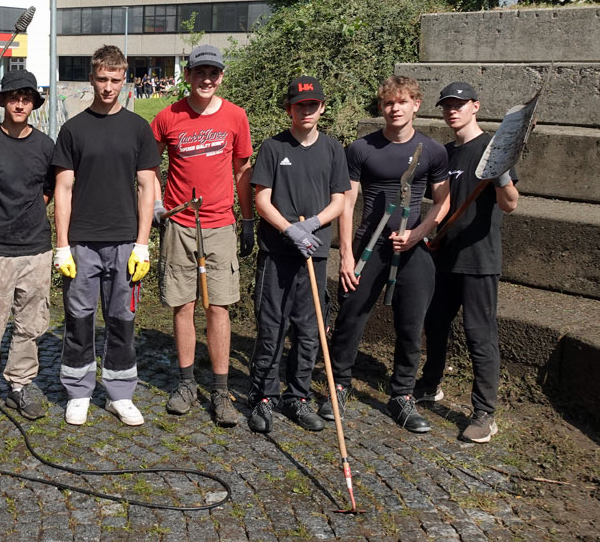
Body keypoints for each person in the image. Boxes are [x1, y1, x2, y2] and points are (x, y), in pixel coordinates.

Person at [329, 75, 449, 433]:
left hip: (413, 248)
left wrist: (417, 234)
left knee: (411, 325)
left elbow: (443, 202)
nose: (395, 109)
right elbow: (347, 204)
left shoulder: (433, 151)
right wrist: (346, 255)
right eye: (388, 103)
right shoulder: (361, 149)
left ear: (416, 104)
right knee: (350, 318)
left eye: (402, 102)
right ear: (381, 107)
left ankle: (402, 395)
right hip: (368, 247)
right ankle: (338, 386)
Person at [52, 45, 159, 427]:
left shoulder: (138, 129)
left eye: (115, 79)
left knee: (122, 321)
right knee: (79, 320)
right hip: (82, 243)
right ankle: (79, 392)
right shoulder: (73, 130)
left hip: (125, 242)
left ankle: (120, 393)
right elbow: (63, 189)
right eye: (102, 79)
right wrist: (61, 246)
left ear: (125, 79)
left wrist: (143, 244)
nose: (108, 86)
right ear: (91, 78)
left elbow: (147, 187)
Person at [150, 44, 253, 427]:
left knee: (218, 307)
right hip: (179, 225)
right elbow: (147, 165)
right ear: (189, 76)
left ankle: (221, 390)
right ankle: (186, 383)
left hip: (220, 225)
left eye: (213, 73)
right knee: (183, 305)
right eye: (199, 73)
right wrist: (157, 203)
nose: (206, 79)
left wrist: (247, 220)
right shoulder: (168, 116)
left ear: (221, 76)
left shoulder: (235, 117)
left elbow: (242, 171)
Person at [416, 82, 519, 443]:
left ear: (475, 106)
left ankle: (484, 414)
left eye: (459, 104)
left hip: (479, 259)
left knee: (479, 336)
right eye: (447, 105)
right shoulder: (444, 154)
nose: (452, 111)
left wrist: (500, 174)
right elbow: (437, 203)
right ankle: (430, 385)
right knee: (434, 325)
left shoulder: (493, 150)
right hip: (443, 255)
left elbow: (510, 204)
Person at [247, 76, 349, 433]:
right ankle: (264, 396)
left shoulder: (333, 149)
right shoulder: (273, 147)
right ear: (289, 109)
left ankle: (298, 396)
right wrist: (289, 229)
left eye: (312, 105)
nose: (306, 110)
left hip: (314, 254)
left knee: (308, 328)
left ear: (322, 108)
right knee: (271, 325)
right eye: (299, 105)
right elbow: (262, 200)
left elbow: (340, 200)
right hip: (277, 252)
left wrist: (314, 224)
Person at [0, 70, 55, 428]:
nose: (20, 103)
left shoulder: (46, 146)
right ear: (2, 101)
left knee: (31, 324)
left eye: (26, 98)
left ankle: (20, 384)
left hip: (36, 249)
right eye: (14, 97)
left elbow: (48, 190)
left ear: (34, 103)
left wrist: (28, 215)